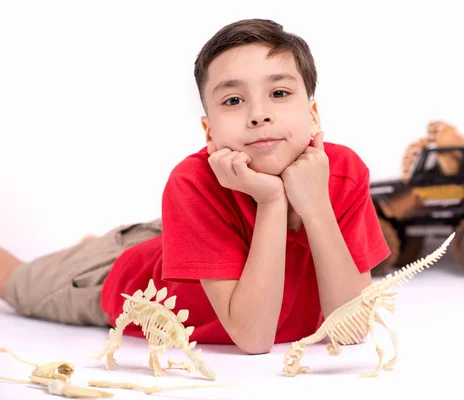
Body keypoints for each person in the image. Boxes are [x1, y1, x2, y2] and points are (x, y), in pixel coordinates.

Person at [0, 18, 390, 354]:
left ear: (313, 113)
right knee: (14, 283)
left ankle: (103, 244)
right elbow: (254, 338)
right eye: (234, 100)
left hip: (199, 236)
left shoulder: (343, 172)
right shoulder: (191, 182)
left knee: (178, 236)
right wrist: (271, 201)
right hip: (129, 279)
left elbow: (352, 328)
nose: (258, 115)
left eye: (279, 93)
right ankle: (98, 253)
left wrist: (315, 205)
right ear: (209, 130)